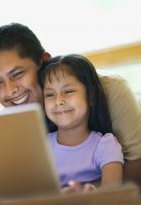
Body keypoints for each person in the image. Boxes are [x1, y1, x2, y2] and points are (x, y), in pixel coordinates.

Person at [0, 22, 141, 188]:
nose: (11, 90)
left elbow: (137, 170)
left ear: (44, 61)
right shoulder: (4, 126)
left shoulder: (110, 90)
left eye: (17, 74)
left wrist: (75, 196)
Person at [39, 54, 123, 190]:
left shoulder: (105, 145)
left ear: (91, 96)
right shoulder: (41, 147)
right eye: (50, 94)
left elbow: (112, 194)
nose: (58, 100)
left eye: (68, 91)